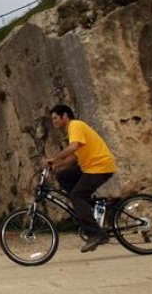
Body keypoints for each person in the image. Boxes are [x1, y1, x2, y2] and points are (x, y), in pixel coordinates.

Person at [48, 105, 117, 253]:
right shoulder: (73, 130)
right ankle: (86, 206)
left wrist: (55, 159)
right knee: (63, 176)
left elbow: (73, 147)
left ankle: (96, 233)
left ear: (64, 116)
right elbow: (74, 157)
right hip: (89, 166)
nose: (53, 122)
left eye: (55, 118)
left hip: (100, 166)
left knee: (76, 195)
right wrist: (56, 166)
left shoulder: (75, 125)